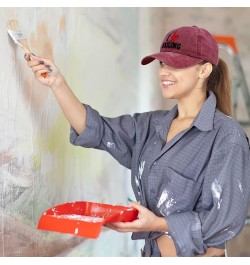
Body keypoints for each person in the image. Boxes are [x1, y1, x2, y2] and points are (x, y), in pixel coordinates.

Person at [24, 25, 250, 257]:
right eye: (162, 63)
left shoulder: (226, 135)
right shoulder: (151, 126)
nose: (163, 72)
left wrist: (156, 224)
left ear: (204, 70)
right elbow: (97, 130)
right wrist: (57, 83)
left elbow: (226, 220)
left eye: (176, 64)